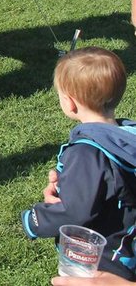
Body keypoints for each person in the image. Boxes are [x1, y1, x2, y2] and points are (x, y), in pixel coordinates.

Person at [21, 47, 136, 281]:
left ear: (70, 103)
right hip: (125, 246)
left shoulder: (87, 151)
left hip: (99, 258)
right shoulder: (127, 134)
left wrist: (34, 220)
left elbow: (75, 211)